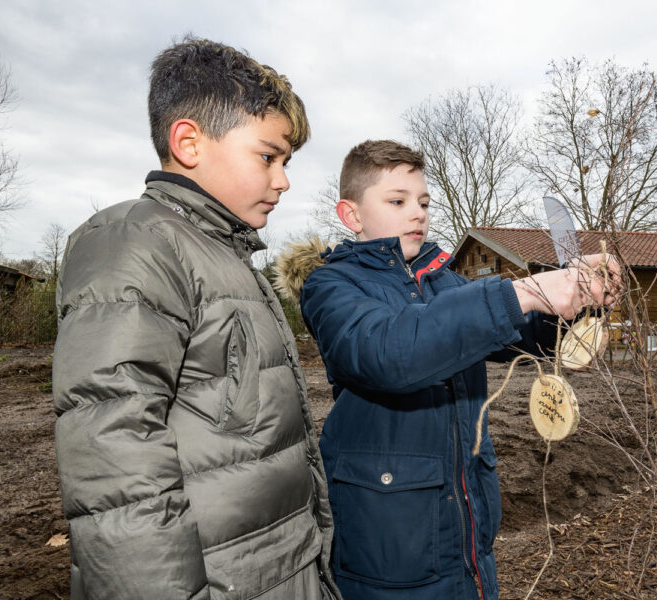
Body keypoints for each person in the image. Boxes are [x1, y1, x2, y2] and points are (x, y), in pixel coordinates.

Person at [51, 38, 340, 599]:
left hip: (277, 571)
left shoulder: (227, 256)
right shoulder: (135, 243)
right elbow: (117, 465)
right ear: (189, 142)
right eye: (268, 156)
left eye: (286, 162)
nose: (283, 180)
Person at [278, 140, 622, 600]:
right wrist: (522, 291)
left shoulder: (445, 280)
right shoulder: (331, 285)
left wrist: (575, 301)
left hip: (465, 522)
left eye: (423, 202)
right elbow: (390, 353)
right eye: (397, 202)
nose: (417, 213)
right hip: (389, 540)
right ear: (351, 215)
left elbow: (520, 336)